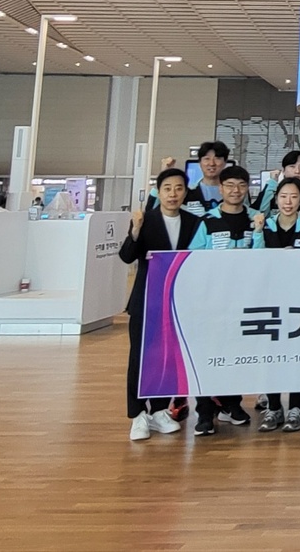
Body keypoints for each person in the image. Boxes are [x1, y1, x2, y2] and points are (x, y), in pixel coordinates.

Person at [119, 168, 201, 441]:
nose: (173, 194)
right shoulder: (146, 220)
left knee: (167, 357)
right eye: (167, 188)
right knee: (140, 357)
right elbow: (126, 256)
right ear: (160, 192)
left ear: (185, 192)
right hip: (146, 300)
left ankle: (158, 410)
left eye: (178, 188)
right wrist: (135, 231)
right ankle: (137, 414)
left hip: (176, 301)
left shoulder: (193, 222)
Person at [187, 165, 257, 436]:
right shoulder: (207, 221)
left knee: (236, 353)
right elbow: (193, 258)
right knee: (209, 354)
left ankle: (232, 404)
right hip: (212, 301)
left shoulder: (255, 219)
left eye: (241, 185)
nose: (236, 190)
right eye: (230, 185)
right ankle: (204, 412)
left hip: (245, 300)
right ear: (221, 188)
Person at [251, 177, 300, 432]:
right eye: (283, 196)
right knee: (271, 355)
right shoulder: (265, 225)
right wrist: (258, 233)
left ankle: (296, 408)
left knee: (296, 354)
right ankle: (273, 407)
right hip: (270, 299)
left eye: (293, 197)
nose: (288, 202)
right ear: (276, 199)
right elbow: (256, 258)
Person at [147, 140, 228, 217]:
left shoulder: (231, 193)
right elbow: (151, 210)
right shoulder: (186, 192)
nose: (212, 163)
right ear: (199, 162)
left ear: (225, 162)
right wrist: (163, 177)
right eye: (207, 159)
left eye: (217, 158)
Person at [254, 151, 300, 222]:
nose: (297, 171)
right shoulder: (271, 194)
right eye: (292, 166)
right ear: (283, 170)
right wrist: (272, 183)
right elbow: (260, 215)